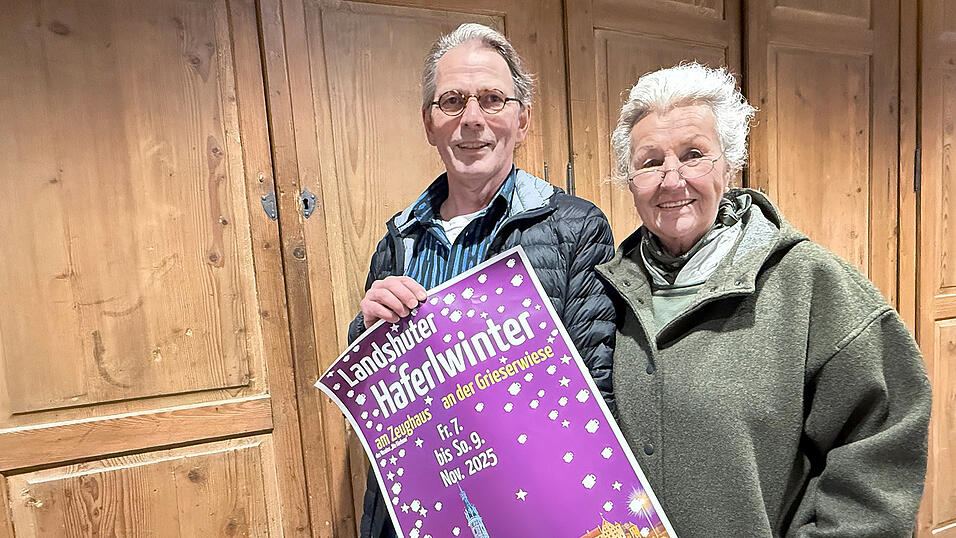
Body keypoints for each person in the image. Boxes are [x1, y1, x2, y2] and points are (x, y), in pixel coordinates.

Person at [597, 62, 931, 536]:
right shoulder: (606, 293)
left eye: (694, 154)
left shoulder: (813, 285)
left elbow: (881, 443)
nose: (672, 179)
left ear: (730, 163)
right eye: (650, 162)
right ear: (630, 181)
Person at [349, 23, 617, 538]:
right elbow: (370, 403)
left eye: (493, 99)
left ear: (523, 120)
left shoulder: (575, 228)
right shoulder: (398, 241)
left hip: (528, 510)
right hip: (417, 512)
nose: (472, 119)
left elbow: (597, 396)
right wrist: (366, 332)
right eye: (452, 101)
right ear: (429, 124)